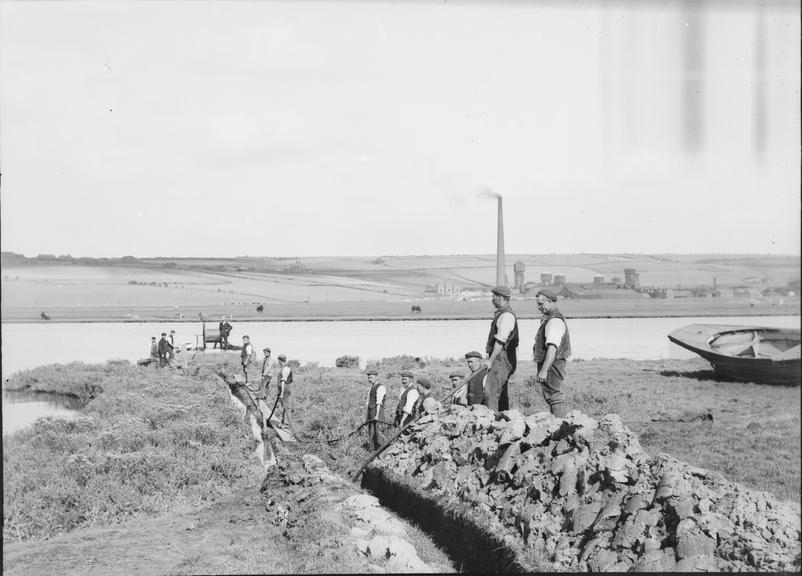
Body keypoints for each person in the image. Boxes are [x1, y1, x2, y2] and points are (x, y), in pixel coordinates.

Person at [533, 288, 572, 418]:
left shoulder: (554, 321)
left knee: (554, 396)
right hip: (552, 364)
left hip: (552, 364)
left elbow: (552, 348)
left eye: (541, 304)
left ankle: (559, 426)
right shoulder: (550, 318)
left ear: (549, 302)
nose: (539, 307)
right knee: (551, 395)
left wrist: (544, 369)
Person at [483, 285, 519, 411]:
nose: (492, 299)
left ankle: (491, 422)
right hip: (502, 358)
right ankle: (504, 421)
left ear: (500, 298)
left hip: (501, 359)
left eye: (493, 296)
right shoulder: (502, 314)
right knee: (501, 392)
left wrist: (490, 360)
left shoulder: (506, 316)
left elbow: (500, 341)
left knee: (490, 392)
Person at [365, 369, 386, 451]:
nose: (370, 379)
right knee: (371, 431)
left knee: (377, 431)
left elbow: (379, 403)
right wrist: (367, 415)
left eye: (371, 377)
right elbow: (368, 402)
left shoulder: (381, 387)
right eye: (369, 378)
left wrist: (377, 415)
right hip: (371, 411)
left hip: (377, 411)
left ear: (377, 377)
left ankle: (380, 450)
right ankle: (372, 449)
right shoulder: (371, 387)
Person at [276, 354, 293, 429]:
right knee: (283, 406)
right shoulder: (283, 367)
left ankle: (285, 424)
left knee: (286, 407)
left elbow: (283, 381)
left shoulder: (285, 368)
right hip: (283, 389)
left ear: (279, 360)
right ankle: (282, 422)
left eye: (278, 360)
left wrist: (282, 393)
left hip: (285, 389)